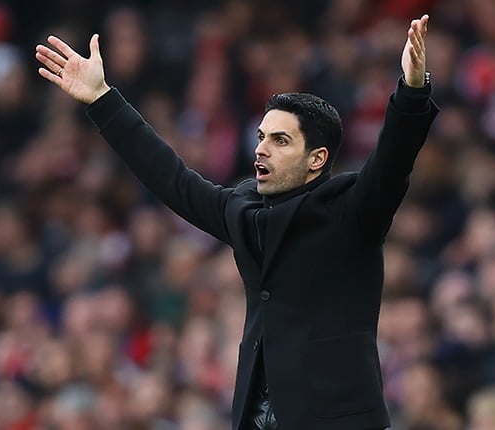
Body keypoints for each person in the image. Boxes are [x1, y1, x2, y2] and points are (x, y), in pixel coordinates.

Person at [36, 14, 437, 430]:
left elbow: (393, 161)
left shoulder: (352, 210)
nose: (261, 148)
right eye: (261, 136)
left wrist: (411, 91)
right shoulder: (244, 210)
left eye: (280, 141)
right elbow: (171, 178)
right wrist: (102, 98)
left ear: (317, 159)